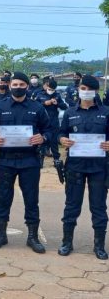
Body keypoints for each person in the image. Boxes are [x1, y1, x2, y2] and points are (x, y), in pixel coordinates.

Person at [0, 71, 52, 253]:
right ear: (10, 86)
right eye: (15, 84)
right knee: (3, 198)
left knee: (31, 199)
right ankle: (1, 234)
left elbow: (49, 130)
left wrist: (43, 138)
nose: (18, 87)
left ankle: (32, 237)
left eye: (22, 85)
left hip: (30, 160)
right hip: (6, 161)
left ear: (27, 86)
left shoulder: (37, 108)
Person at [57, 75, 109, 259]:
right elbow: (61, 133)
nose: (85, 91)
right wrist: (62, 140)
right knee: (72, 206)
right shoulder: (70, 112)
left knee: (99, 207)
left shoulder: (106, 112)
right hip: (75, 167)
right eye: (82, 88)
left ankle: (99, 246)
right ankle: (67, 242)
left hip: (99, 168)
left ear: (96, 91)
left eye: (89, 89)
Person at [35, 79, 67, 164]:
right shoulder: (40, 95)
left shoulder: (57, 95)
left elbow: (64, 107)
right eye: (49, 89)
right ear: (46, 86)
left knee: (54, 141)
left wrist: (57, 104)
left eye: (52, 89)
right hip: (42, 122)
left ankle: (56, 159)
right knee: (41, 141)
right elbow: (34, 105)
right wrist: (44, 103)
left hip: (54, 122)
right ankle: (40, 160)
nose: (50, 91)